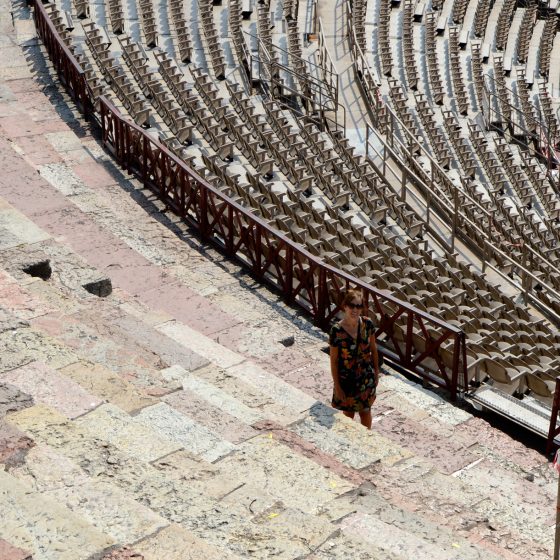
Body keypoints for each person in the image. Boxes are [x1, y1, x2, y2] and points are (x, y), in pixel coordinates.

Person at [329, 289, 380, 429]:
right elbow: (333, 361)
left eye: (359, 306)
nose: (355, 310)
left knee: (366, 412)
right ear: (345, 306)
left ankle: (367, 439)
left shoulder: (367, 324)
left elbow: (374, 350)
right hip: (347, 380)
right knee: (348, 414)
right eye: (352, 306)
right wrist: (337, 386)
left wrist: (376, 373)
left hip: (365, 377)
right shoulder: (336, 331)